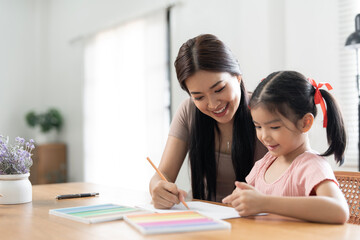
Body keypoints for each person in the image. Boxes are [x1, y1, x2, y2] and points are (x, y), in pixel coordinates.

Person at [149, 34, 267, 209]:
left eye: (219, 89)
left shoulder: (266, 113)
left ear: (237, 76)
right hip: (204, 219)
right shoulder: (189, 111)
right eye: (198, 97)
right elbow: (163, 173)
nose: (213, 104)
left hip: (255, 222)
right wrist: (157, 188)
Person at [223, 71, 349, 224]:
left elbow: (339, 211)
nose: (264, 136)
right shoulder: (265, 163)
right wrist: (241, 198)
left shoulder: (311, 165)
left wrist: (265, 203)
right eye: (258, 127)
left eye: (274, 127)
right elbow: (252, 199)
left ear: (305, 123)